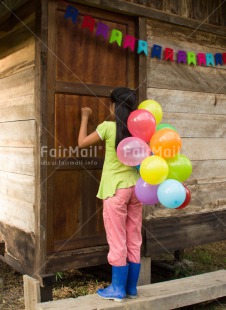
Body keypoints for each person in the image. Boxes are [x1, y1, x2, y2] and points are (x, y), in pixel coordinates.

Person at [78, 87, 143, 302]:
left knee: (117, 239)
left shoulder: (107, 127)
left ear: (114, 106)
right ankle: (131, 288)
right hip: (137, 189)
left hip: (115, 190)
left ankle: (117, 289)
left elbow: (81, 143)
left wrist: (85, 117)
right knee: (133, 237)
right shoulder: (139, 131)